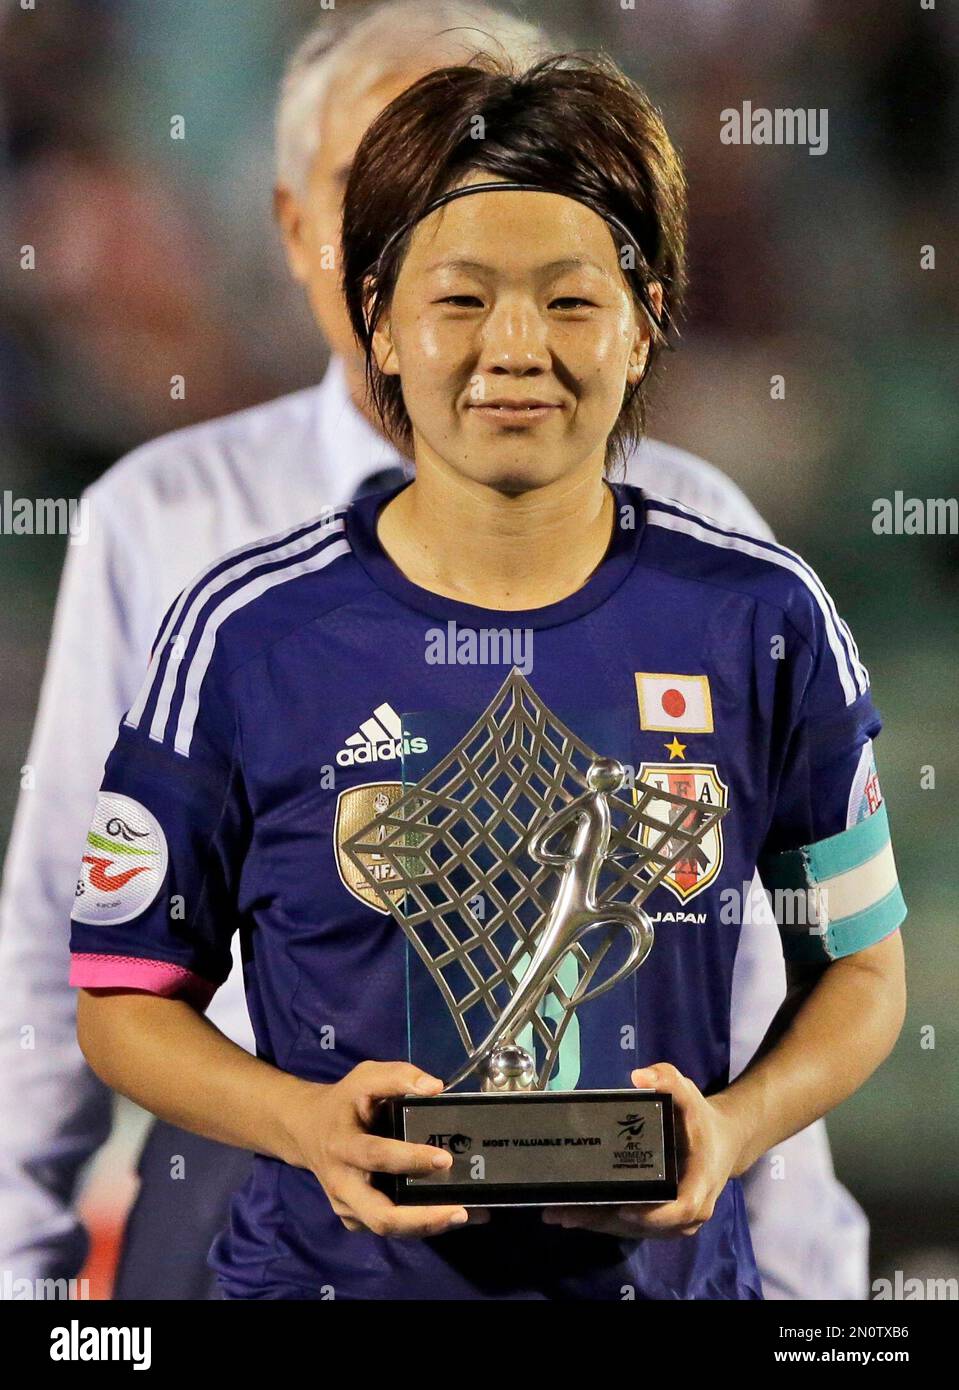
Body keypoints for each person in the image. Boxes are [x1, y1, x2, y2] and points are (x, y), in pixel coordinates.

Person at [0, 2, 865, 1303]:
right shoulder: (188, 548)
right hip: (257, 1175)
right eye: (397, 195)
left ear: (638, 308)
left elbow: (772, 965)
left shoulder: (735, 577)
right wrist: (30, 1266)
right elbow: (74, 949)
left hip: (645, 1213)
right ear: (318, 240)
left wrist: (796, 1254)